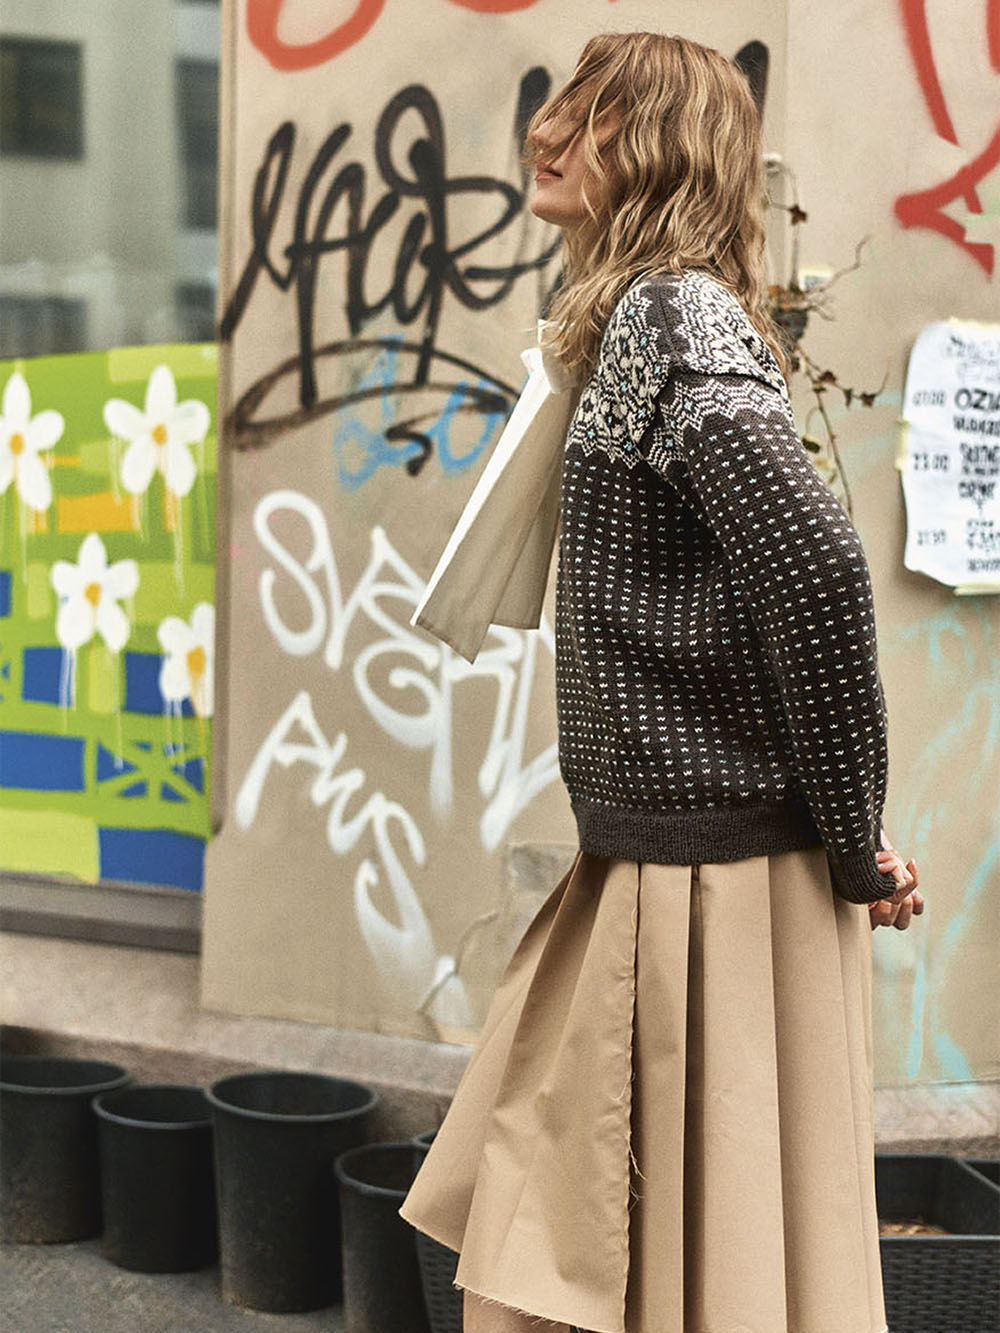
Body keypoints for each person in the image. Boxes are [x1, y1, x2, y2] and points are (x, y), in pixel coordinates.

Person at [401, 30, 924, 1333]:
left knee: (617, 1261)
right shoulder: (641, 316)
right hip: (672, 864)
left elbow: (817, 564)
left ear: (659, 149)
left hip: (709, 883)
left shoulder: (669, 318)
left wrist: (854, 838)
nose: (546, 131)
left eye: (592, 113)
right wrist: (850, 835)